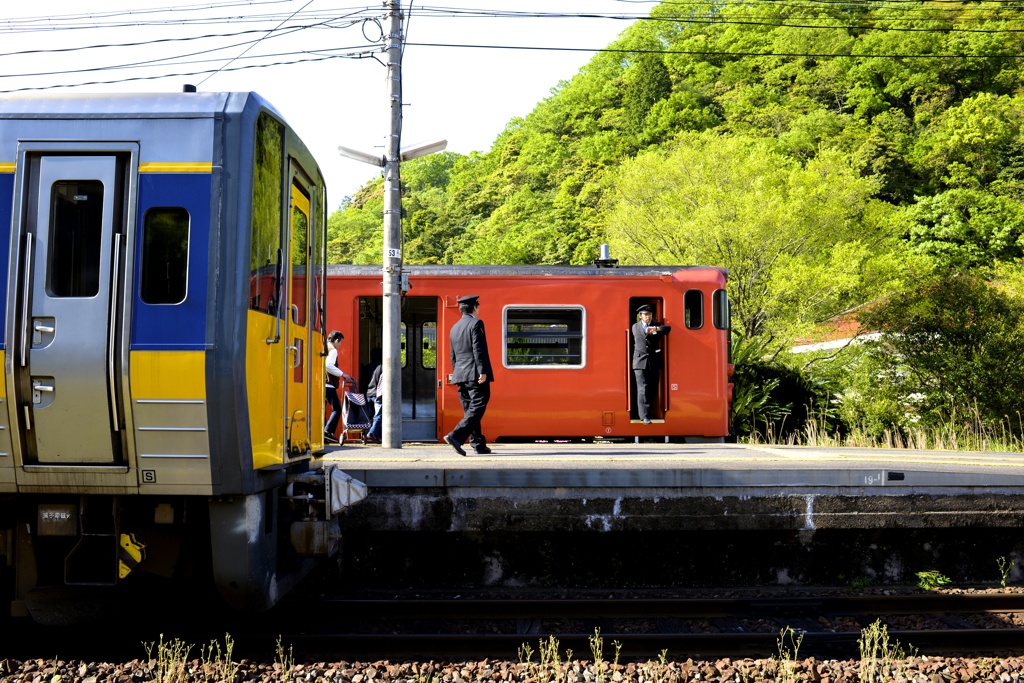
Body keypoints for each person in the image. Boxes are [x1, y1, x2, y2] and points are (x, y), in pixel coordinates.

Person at [444, 294, 494, 456]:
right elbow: (478, 350)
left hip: (460, 374)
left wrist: (457, 373)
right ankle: (456, 436)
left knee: (470, 410)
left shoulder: (455, 328)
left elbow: (453, 355)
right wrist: (482, 371)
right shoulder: (476, 323)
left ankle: (478, 444)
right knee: (479, 405)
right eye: (478, 307)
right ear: (474, 308)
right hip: (474, 374)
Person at [631, 304, 671, 424]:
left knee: (653, 387)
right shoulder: (635, 327)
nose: (648, 317)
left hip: (654, 361)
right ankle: (644, 416)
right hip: (640, 361)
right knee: (643, 388)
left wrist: (656, 329)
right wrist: (648, 331)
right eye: (646, 314)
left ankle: (649, 412)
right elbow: (642, 337)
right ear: (640, 316)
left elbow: (668, 329)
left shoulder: (657, 325)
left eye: (650, 314)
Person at [324, 330, 354, 444]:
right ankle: (328, 431)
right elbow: (328, 366)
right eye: (340, 343)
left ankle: (323, 434)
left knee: (322, 410)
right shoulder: (333, 350)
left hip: (320, 383)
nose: (340, 345)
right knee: (337, 408)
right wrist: (343, 374)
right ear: (336, 340)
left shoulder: (324, 347)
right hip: (328, 384)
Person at [365, 359, 382, 444]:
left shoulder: (368, 367)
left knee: (370, 416)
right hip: (377, 394)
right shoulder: (382, 366)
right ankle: (372, 433)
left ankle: (367, 434)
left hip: (369, 393)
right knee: (378, 415)